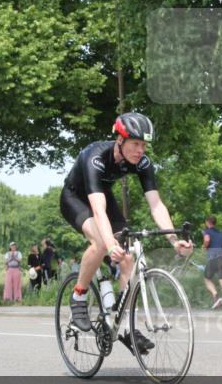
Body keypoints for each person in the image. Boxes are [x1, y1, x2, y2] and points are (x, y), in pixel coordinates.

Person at [59, 112, 193, 354]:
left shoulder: (142, 163)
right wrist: (110, 245)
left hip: (102, 195)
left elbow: (156, 205)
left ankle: (123, 326)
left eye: (144, 144)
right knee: (101, 243)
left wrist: (173, 240)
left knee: (129, 258)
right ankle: (79, 296)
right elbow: (98, 212)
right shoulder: (96, 157)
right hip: (76, 198)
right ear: (120, 140)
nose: (141, 150)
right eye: (135, 143)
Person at [202, 215, 222, 310]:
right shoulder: (220, 233)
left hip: (213, 258)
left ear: (207, 222)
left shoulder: (206, 231)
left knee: (206, 278)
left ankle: (216, 297)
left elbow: (207, 240)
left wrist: (204, 247)